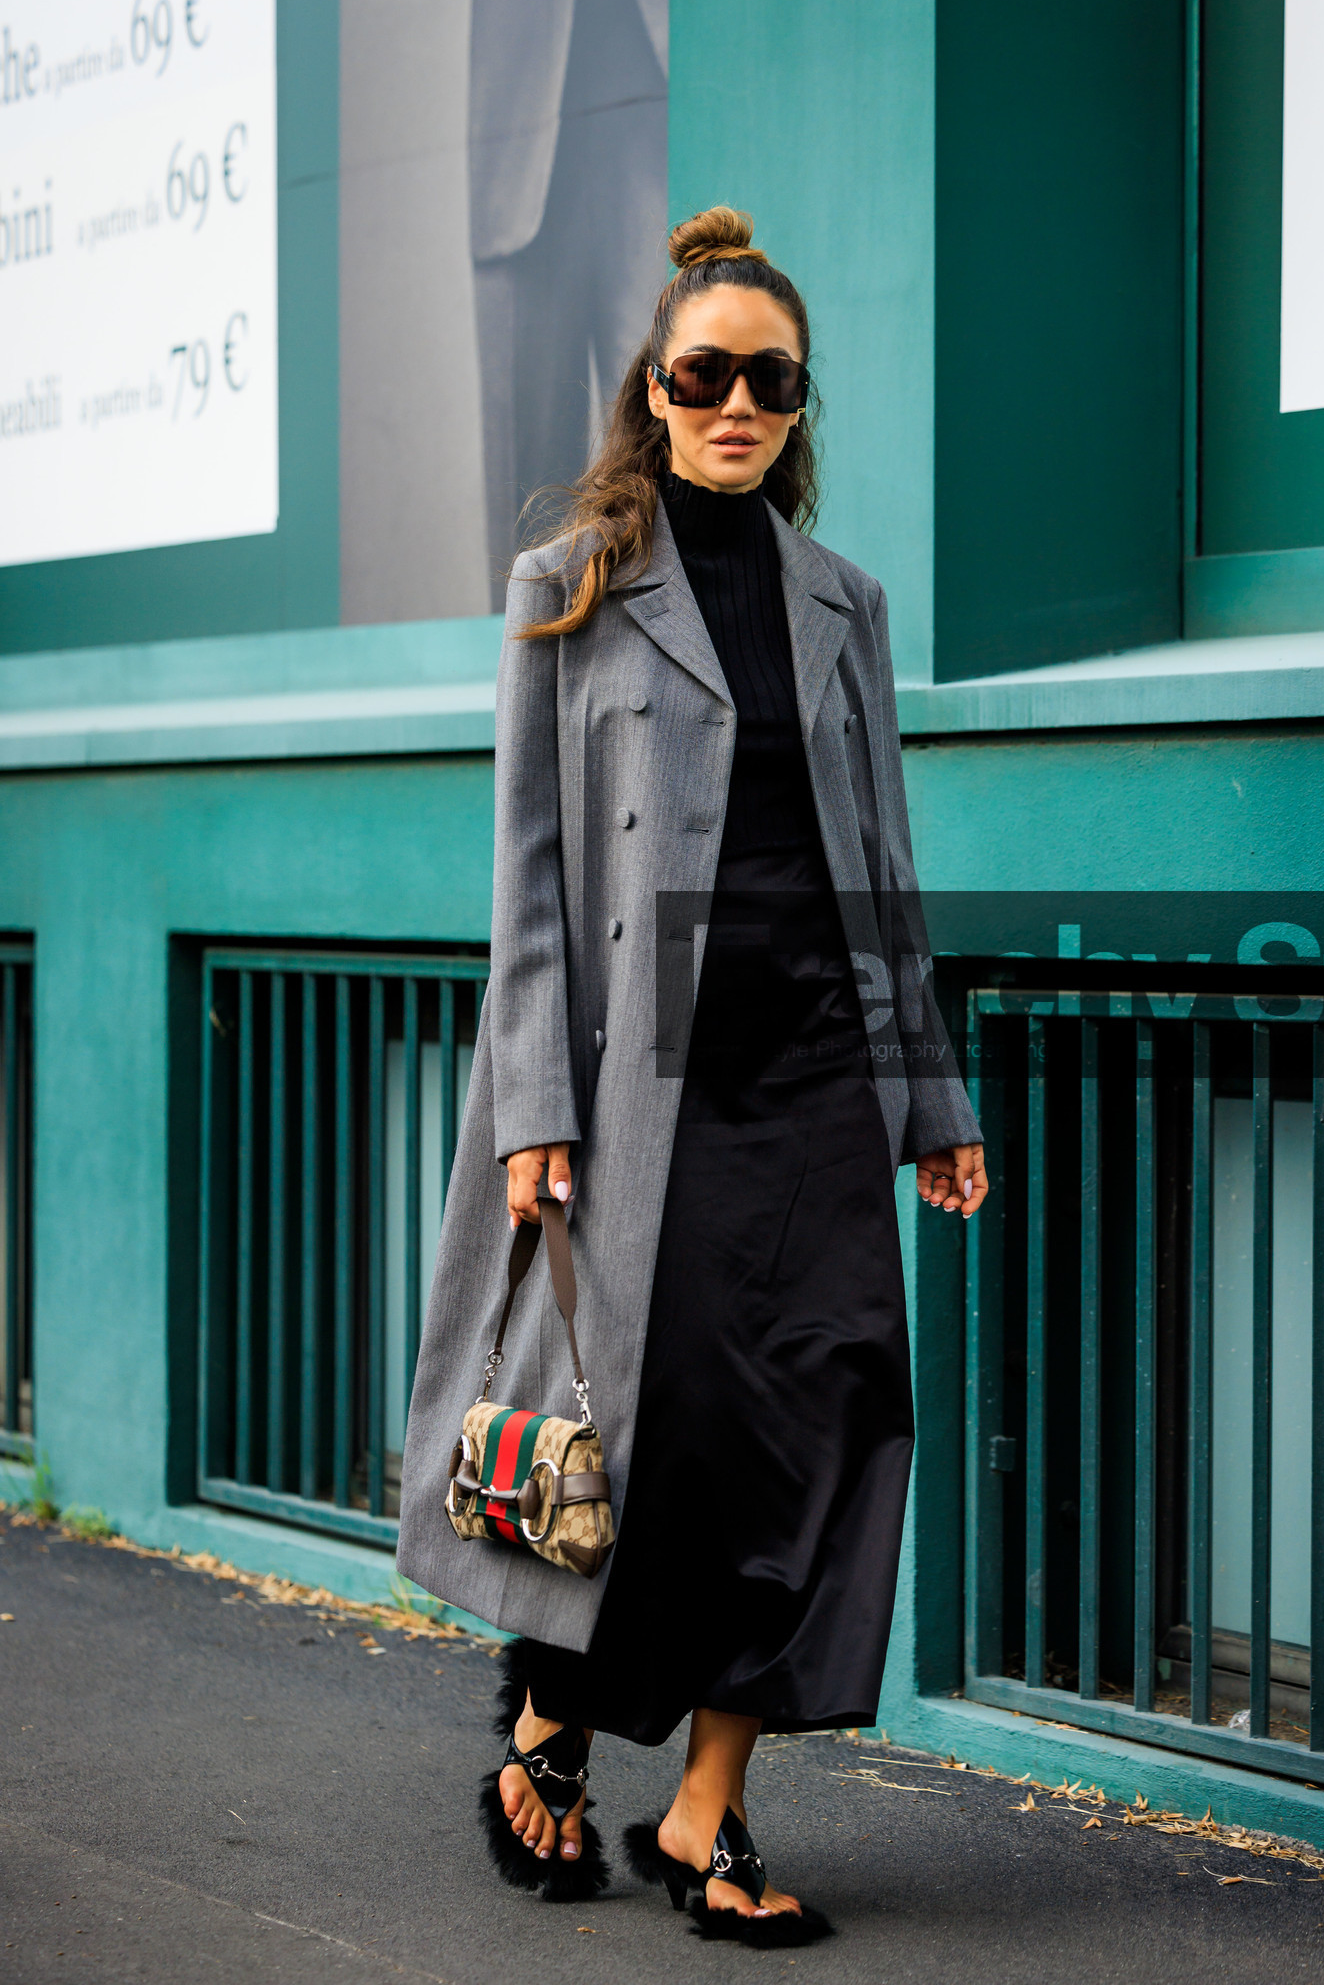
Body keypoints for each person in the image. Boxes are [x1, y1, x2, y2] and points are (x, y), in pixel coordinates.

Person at [396, 206, 986, 1946]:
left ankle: (710, 1810)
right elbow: (526, 872)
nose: (737, 402)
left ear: (801, 406)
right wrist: (535, 1115)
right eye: (704, 373)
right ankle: (554, 1720)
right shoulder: (568, 583)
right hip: (641, 1079)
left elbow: (880, 858)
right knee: (644, 1437)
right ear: (653, 391)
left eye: (770, 380)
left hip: (816, 1078)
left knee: (821, 1425)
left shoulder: (844, 605)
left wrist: (927, 1095)